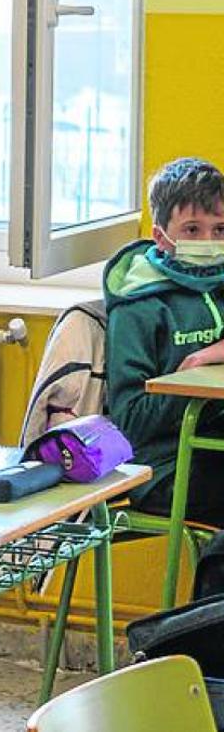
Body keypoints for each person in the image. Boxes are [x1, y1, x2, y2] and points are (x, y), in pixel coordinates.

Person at [105, 157, 224, 523]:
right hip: (162, 467)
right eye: (192, 229)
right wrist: (188, 377)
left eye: (220, 230)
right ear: (161, 236)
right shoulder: (139, 307)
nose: (208, 241)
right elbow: (131, 421)